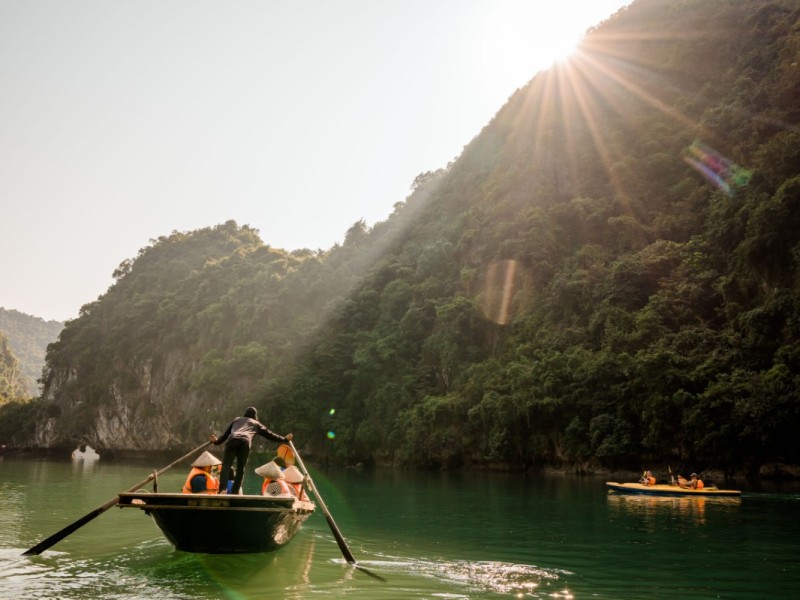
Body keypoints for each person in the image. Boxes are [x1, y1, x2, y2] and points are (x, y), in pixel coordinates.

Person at [210, 406, 293, 495]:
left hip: (232, 441)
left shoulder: (237, 420)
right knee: (240, 470)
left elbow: (224, 436)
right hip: (245, 443)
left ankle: (223, 489)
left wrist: (216, 442)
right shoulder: (256, 424)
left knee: (226, 466)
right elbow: (270, 435)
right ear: (255, 416)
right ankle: (235, 492)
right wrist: (284, 439)